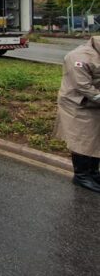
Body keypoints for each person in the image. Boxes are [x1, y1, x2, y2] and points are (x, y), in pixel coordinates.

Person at [54, 36, 100, 192]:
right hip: (77, 103)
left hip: (94, 104)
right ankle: (81, 176)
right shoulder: (78, 57)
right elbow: (84, 87)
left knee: (96, 138)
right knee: (81, 138)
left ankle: (93, 173)